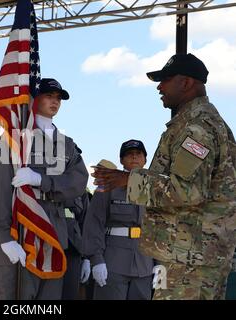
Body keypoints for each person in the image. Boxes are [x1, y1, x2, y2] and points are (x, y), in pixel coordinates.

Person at [92, 53, 236, 300]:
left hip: (191, 259)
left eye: (166, 79)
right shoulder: (192, 123)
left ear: (187, 83)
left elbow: (186, 191)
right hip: (192, 255)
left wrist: (128, 179)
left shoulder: (198, 128)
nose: (159, 87)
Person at [0, 78, 88, 300]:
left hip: (54, 237)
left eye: (58, 98)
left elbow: (78, 182)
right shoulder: (13, 140)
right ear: (33, 99)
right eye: (49, 96)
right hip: (19, 233)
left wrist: (43, 181)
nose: (55, 102)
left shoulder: (67, 144)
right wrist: (4, 238)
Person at [84, 140, 155, 300]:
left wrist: (160, 265)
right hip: (113, 263)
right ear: (121, 160)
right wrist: (97, 259)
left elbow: (160, 229)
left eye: (139, 154)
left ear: (145, 159)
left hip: (145, 265)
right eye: (129, 154)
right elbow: (94, 223)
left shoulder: (155, 189)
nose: (135, 157)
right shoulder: (108, 186)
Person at [62, 190, 90, 299]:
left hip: (73, 249)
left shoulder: (80, 189)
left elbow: (86, 225)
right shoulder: (42, 179)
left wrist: (86, 258)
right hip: (46, 245)